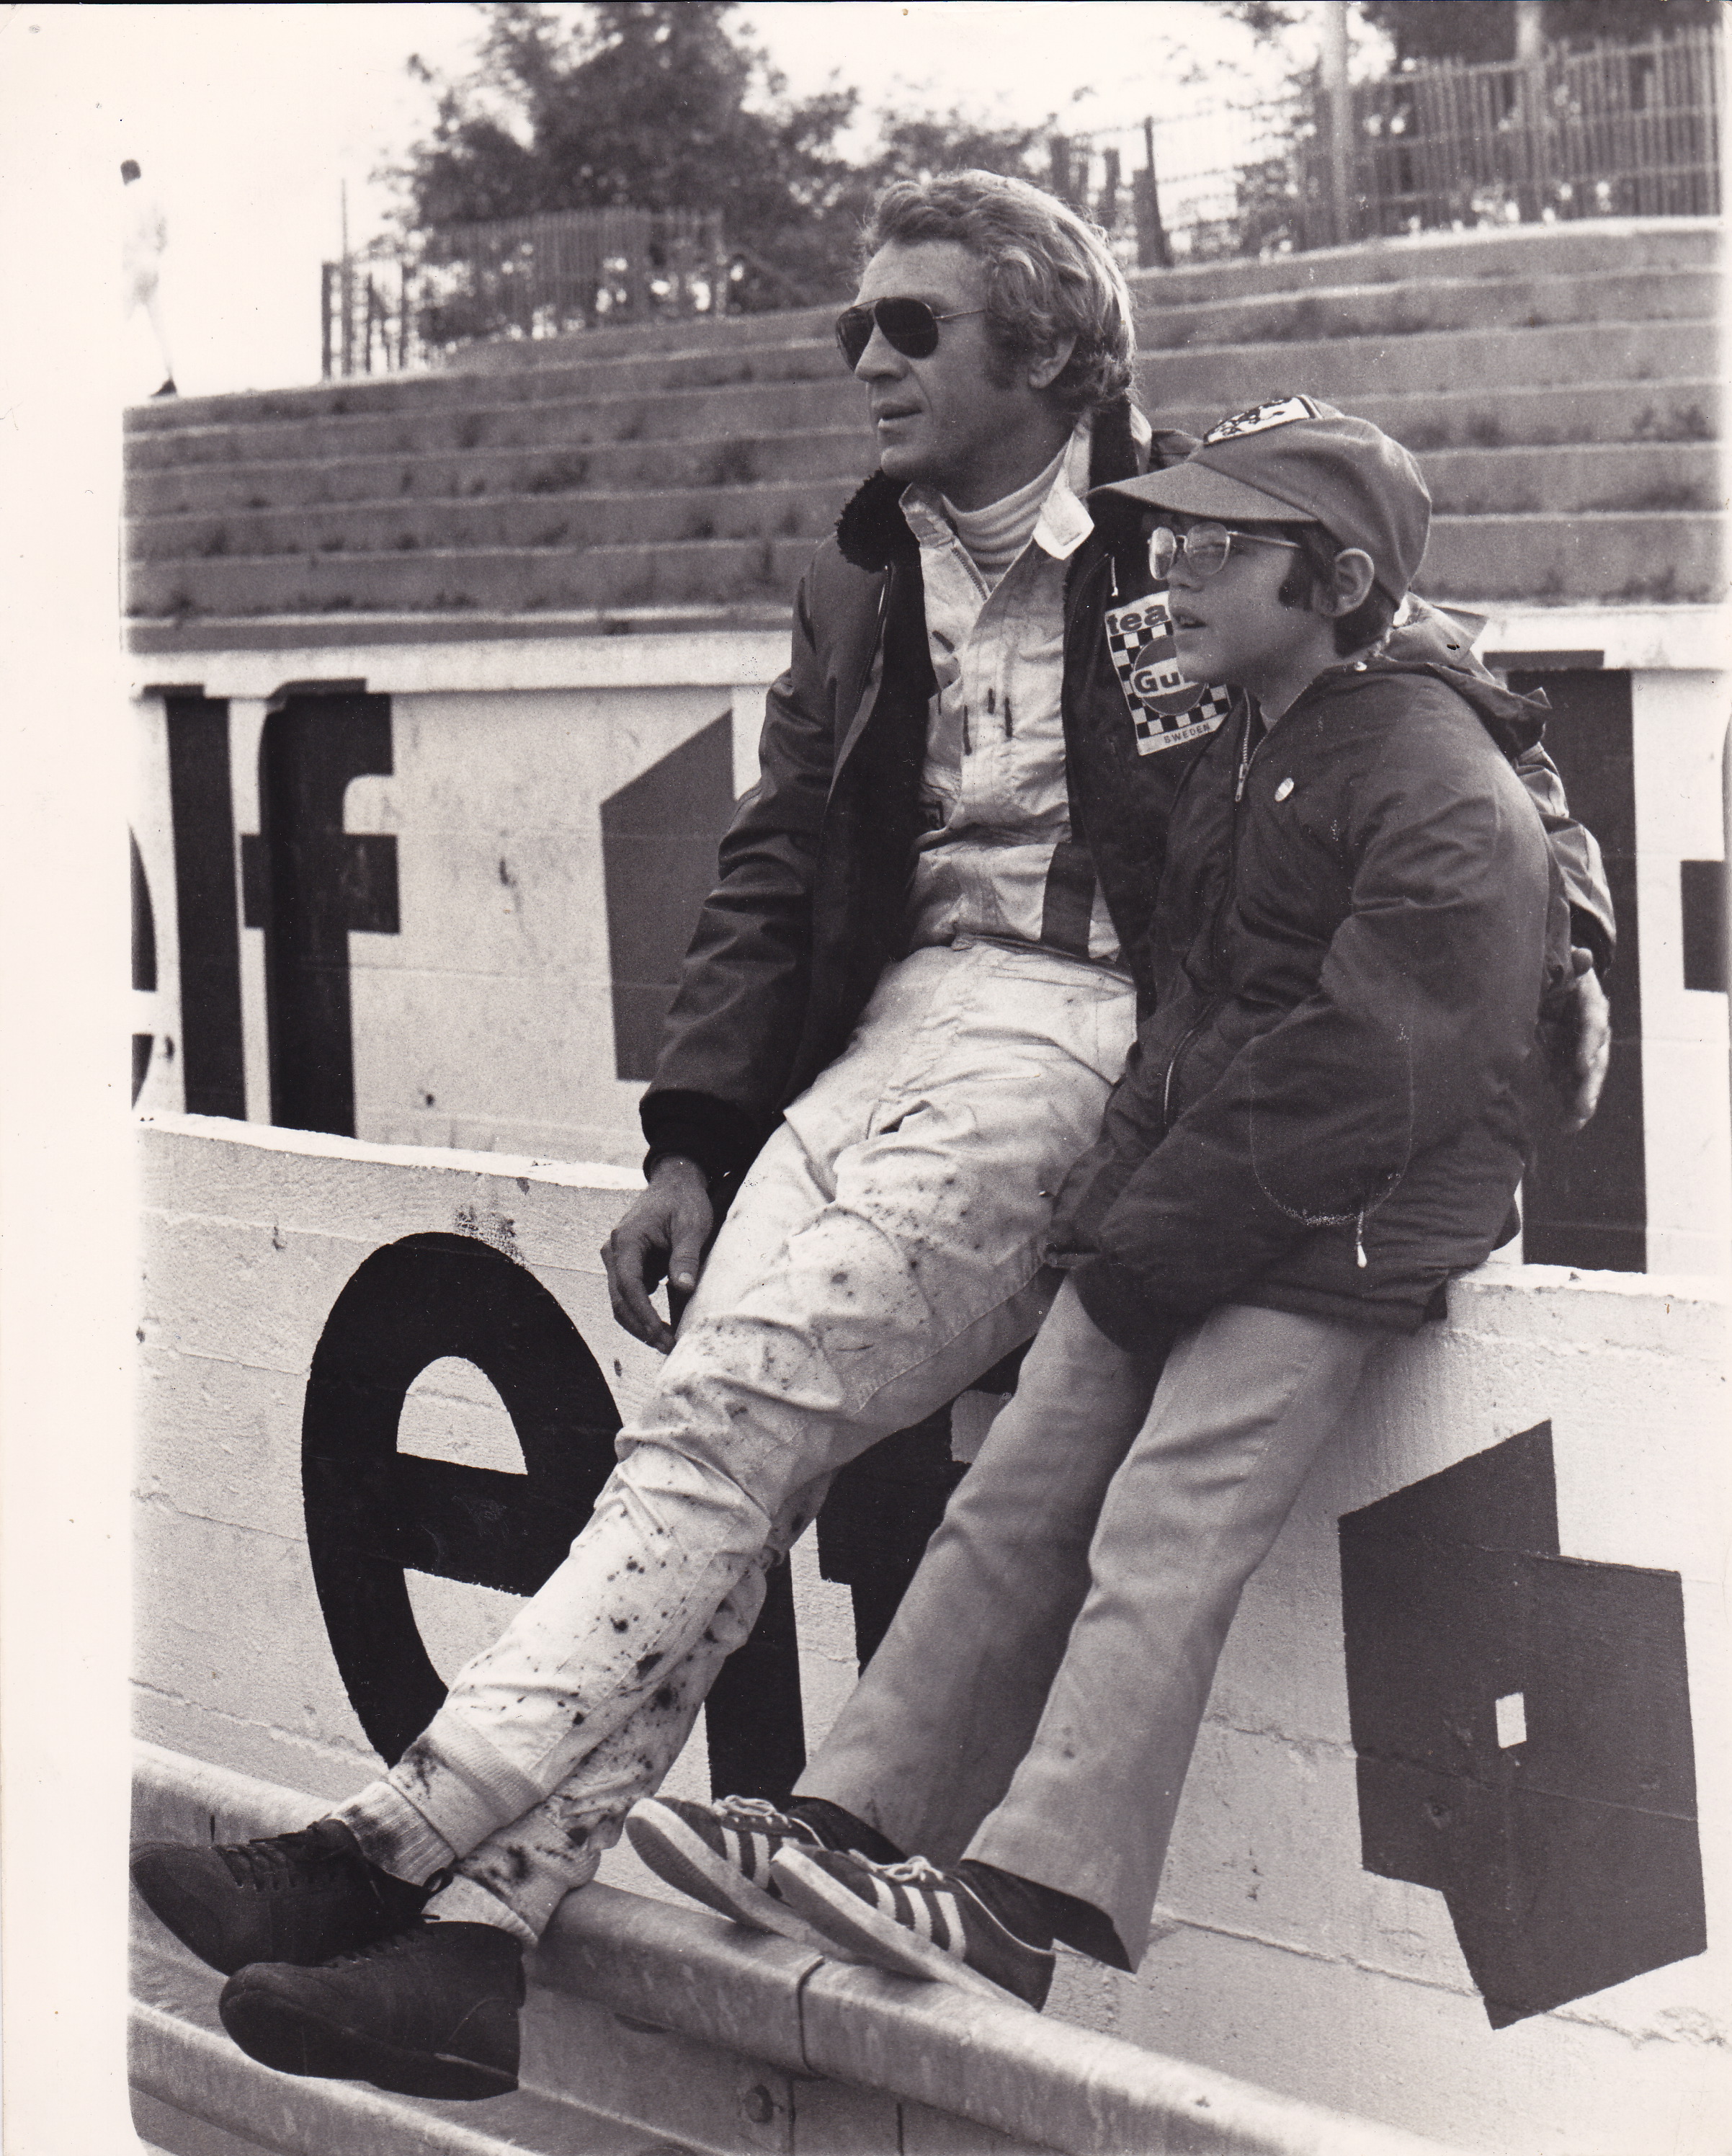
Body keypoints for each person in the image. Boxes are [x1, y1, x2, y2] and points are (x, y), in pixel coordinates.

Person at [130, 178, 1611, 2102]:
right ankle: (473, 1953)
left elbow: (1473, 733)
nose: (863, 361)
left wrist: (1552, 977)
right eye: (854, 328)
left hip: (1091, 1043)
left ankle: (399, 1842)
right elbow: (774, 862)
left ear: (1051, 353)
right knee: (702, 1442)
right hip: (893, 1035)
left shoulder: (1215, 526)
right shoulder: (852, 569)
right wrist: (693, 1135)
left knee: (734, 1421)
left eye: (908, 327)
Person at [633, 398, 1581, 2013]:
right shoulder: (1244, 742)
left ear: (1337, 582)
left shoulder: (1432, 774)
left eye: (1224, 545)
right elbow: (1192, 1013)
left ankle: (1022, 1897)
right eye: (1173, 536)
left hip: (1348, 1229)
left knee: (1160, 1530)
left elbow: (1365, 1079)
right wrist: (1105, 1214)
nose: (1173, 570)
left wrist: (1145, 1243)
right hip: (1204, 1205)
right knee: (1011, 1489)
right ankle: (844, 1816)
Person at [121, 159, 177, 398]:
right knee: (157, 322)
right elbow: (165, 233)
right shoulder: (154, 196)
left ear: (126, 175)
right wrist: (154, 252)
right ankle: (169, 376)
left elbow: (127, 233)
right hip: (152, 262)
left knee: (119, 317)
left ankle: (107, 374)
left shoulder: (127, 198)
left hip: (135, 264)